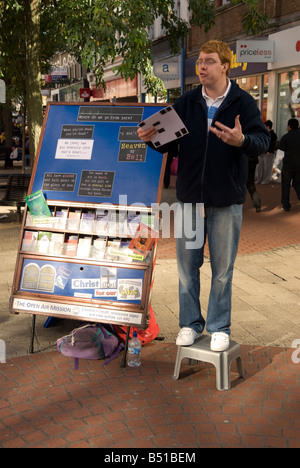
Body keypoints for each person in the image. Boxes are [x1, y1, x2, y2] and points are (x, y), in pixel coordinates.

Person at [138, 40, 270, 352]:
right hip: (189, 202)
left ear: (225, 65)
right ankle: (190, 324)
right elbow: (166, 145)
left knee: (222, 270)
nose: (202, 66)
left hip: (226, 201)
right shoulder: (187, 103)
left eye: (209, 61)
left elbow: (262, 141)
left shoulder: (243, 102)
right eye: (200, 61)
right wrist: (150, 138)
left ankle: (219, 327)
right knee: (186, 269)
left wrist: (241, 141)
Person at [279, 118, 300, 211]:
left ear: (289, 126)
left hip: (288, 165)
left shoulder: (285, 137)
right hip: (299, 165)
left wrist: (275, 165)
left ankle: (286, 205)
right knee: (298, 183)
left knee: (286, 185)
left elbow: (280, 154)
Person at [256, 120, 278, 184]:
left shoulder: (273, 135)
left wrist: (269, 151)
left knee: (267, 167)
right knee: (260, 166)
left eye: (265, 125)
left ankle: (266, 180)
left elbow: (272, 144)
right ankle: (260, 179)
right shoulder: (263, 133)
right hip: (261, 152)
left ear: (268, 126)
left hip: (268, 153)